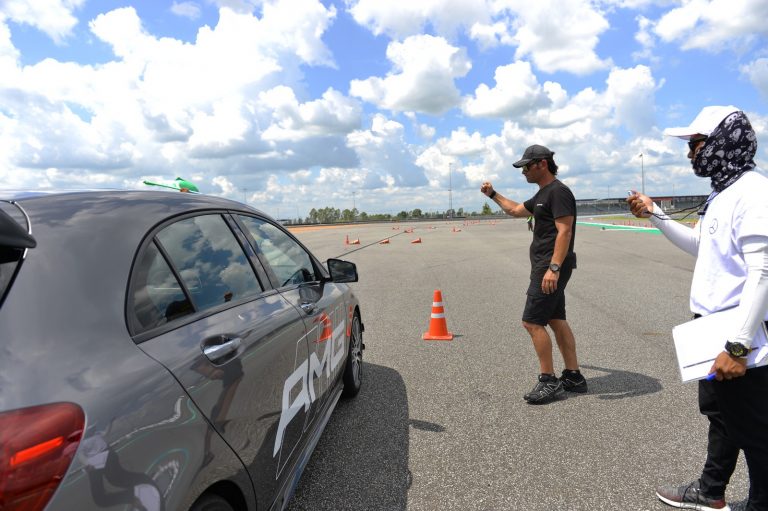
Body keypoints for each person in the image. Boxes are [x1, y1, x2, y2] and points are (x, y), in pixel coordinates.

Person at [627, 106, 768, 511]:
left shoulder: (753, 192)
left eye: (696, 144)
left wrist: (738, 347)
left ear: (725, 141)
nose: (691, 154)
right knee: (722, 416)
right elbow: (700, 246)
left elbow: (763, 272)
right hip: (712, 329)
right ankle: (711, 491)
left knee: (757, 429)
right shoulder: (723, 191)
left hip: (743, 332)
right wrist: (655, 214)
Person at [480, 144, 586, 404]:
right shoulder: (543, 194)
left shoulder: (558, 192)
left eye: (526, 166)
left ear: (542, 163)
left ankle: (548, 380)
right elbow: (516, 210)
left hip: (550, 268)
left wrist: (553, 268)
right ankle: (573, 376)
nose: (523, 171)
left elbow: (565, 232)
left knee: (532, 322)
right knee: (555, 319)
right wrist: (493, 194)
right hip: (549, 267)